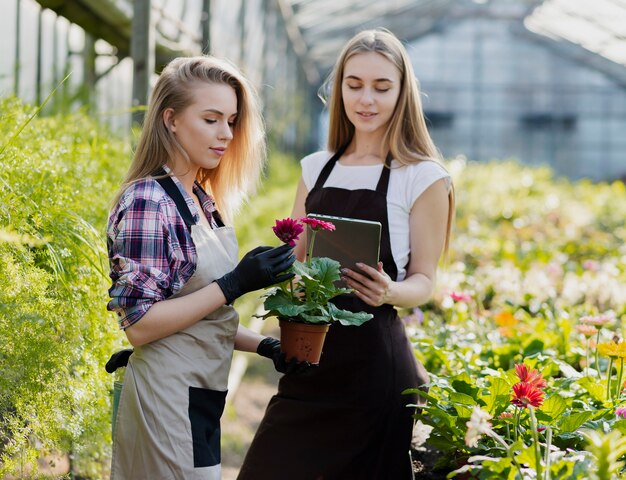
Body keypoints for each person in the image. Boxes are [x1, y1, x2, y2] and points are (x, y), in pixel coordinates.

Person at [238, 29, 455, 480]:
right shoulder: (316, 167)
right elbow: (297, 258)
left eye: (382, 87)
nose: (366, 99)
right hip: (309, 360)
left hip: (375, 374)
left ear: (403, 93)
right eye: (354, 84)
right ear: (338, 89)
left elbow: (425, 282)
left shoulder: (422, 177)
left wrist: (389, 290)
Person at [106, 55, 302, 479]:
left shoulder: (201, 198)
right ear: (171, 119)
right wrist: (235, 283)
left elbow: (203, 315)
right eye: (212, 119)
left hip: (199, 394)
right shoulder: (148, 202)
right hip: (168, 396)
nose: (226, 135)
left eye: (231, 121)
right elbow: (140, 324)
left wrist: (265, 347)